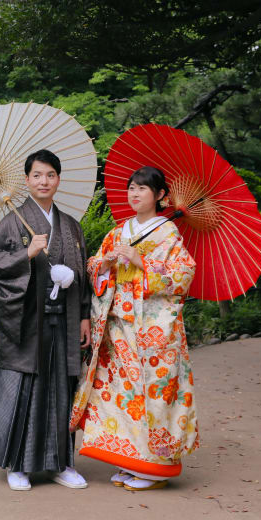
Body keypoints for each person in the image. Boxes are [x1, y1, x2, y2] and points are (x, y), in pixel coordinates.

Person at [70, 166, 199, 490]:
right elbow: (93, 269)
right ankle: (131, 460)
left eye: (143, 189)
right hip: (117, 327)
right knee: (121, 395)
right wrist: (107, 262)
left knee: (153, 394)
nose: (135, 193)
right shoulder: (117, 232)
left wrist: (143, 263)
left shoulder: (169, 234)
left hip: (153, 331)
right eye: (131, 188)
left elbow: (183, 276)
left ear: (160, 196)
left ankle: (155, 469)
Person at [0, 149, 91, 491]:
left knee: (61, 389)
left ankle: (61, 464)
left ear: (58, 179)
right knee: (25, 391)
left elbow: (84, 277)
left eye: (50, 175)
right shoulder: (13, 221)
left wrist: (84, 313)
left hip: (64, 321)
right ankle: (18, 466)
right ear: (26, 180)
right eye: (36, 175)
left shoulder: (71, 227)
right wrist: (25, 254)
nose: (43, 181)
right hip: (28, 323)